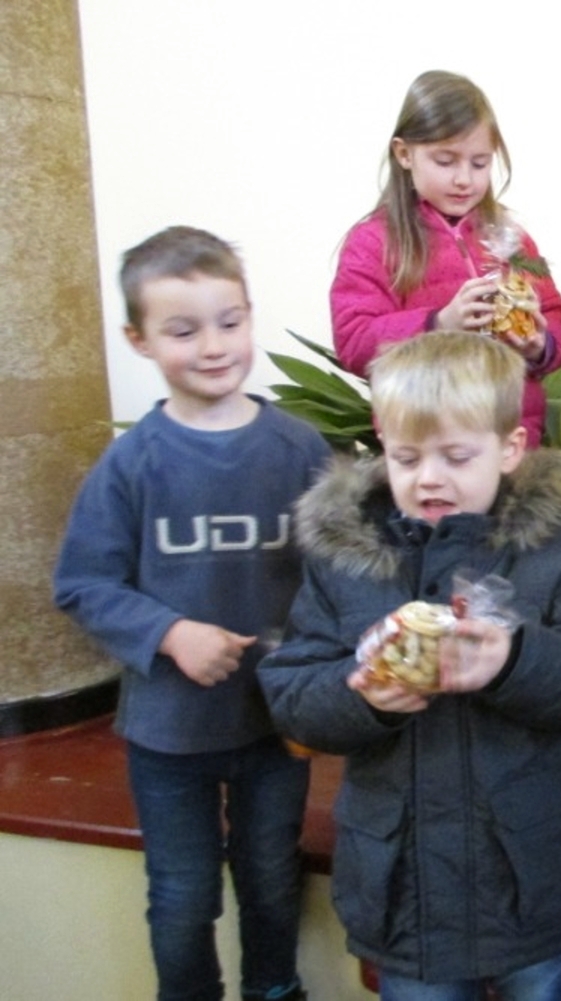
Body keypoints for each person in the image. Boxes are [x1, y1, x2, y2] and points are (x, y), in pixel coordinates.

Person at [257, 332, 561, 1000]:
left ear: (510, 448)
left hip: (532, 880)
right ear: (381, 444)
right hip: (407, 895)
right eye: (406, 457)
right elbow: (292, 695)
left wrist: (513, 660)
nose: (429, 477)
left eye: (456, 456)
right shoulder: (345, 560)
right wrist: (363, 697)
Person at [53, 226, 330, 1001]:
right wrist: (170, 633)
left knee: (271, 875)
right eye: (183, 330)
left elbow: (340, 568)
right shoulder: (130, 464)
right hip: (169, 734)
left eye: (229, 321)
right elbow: (83, 582)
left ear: (249, 316)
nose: (213, 346)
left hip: (275, 723)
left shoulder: (301, 448)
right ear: (138, 340)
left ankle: (274, 989)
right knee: (182, 895)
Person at [330, 69, 561, 451]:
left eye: (479, 163)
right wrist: (438, 324)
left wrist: (540, 345)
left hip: (512, 444)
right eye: (445, 161)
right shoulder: (374, 242)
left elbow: (556, 314)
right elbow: (354, 340)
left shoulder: (511, 238)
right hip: (428, 449)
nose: (464, 179)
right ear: (404, 154)